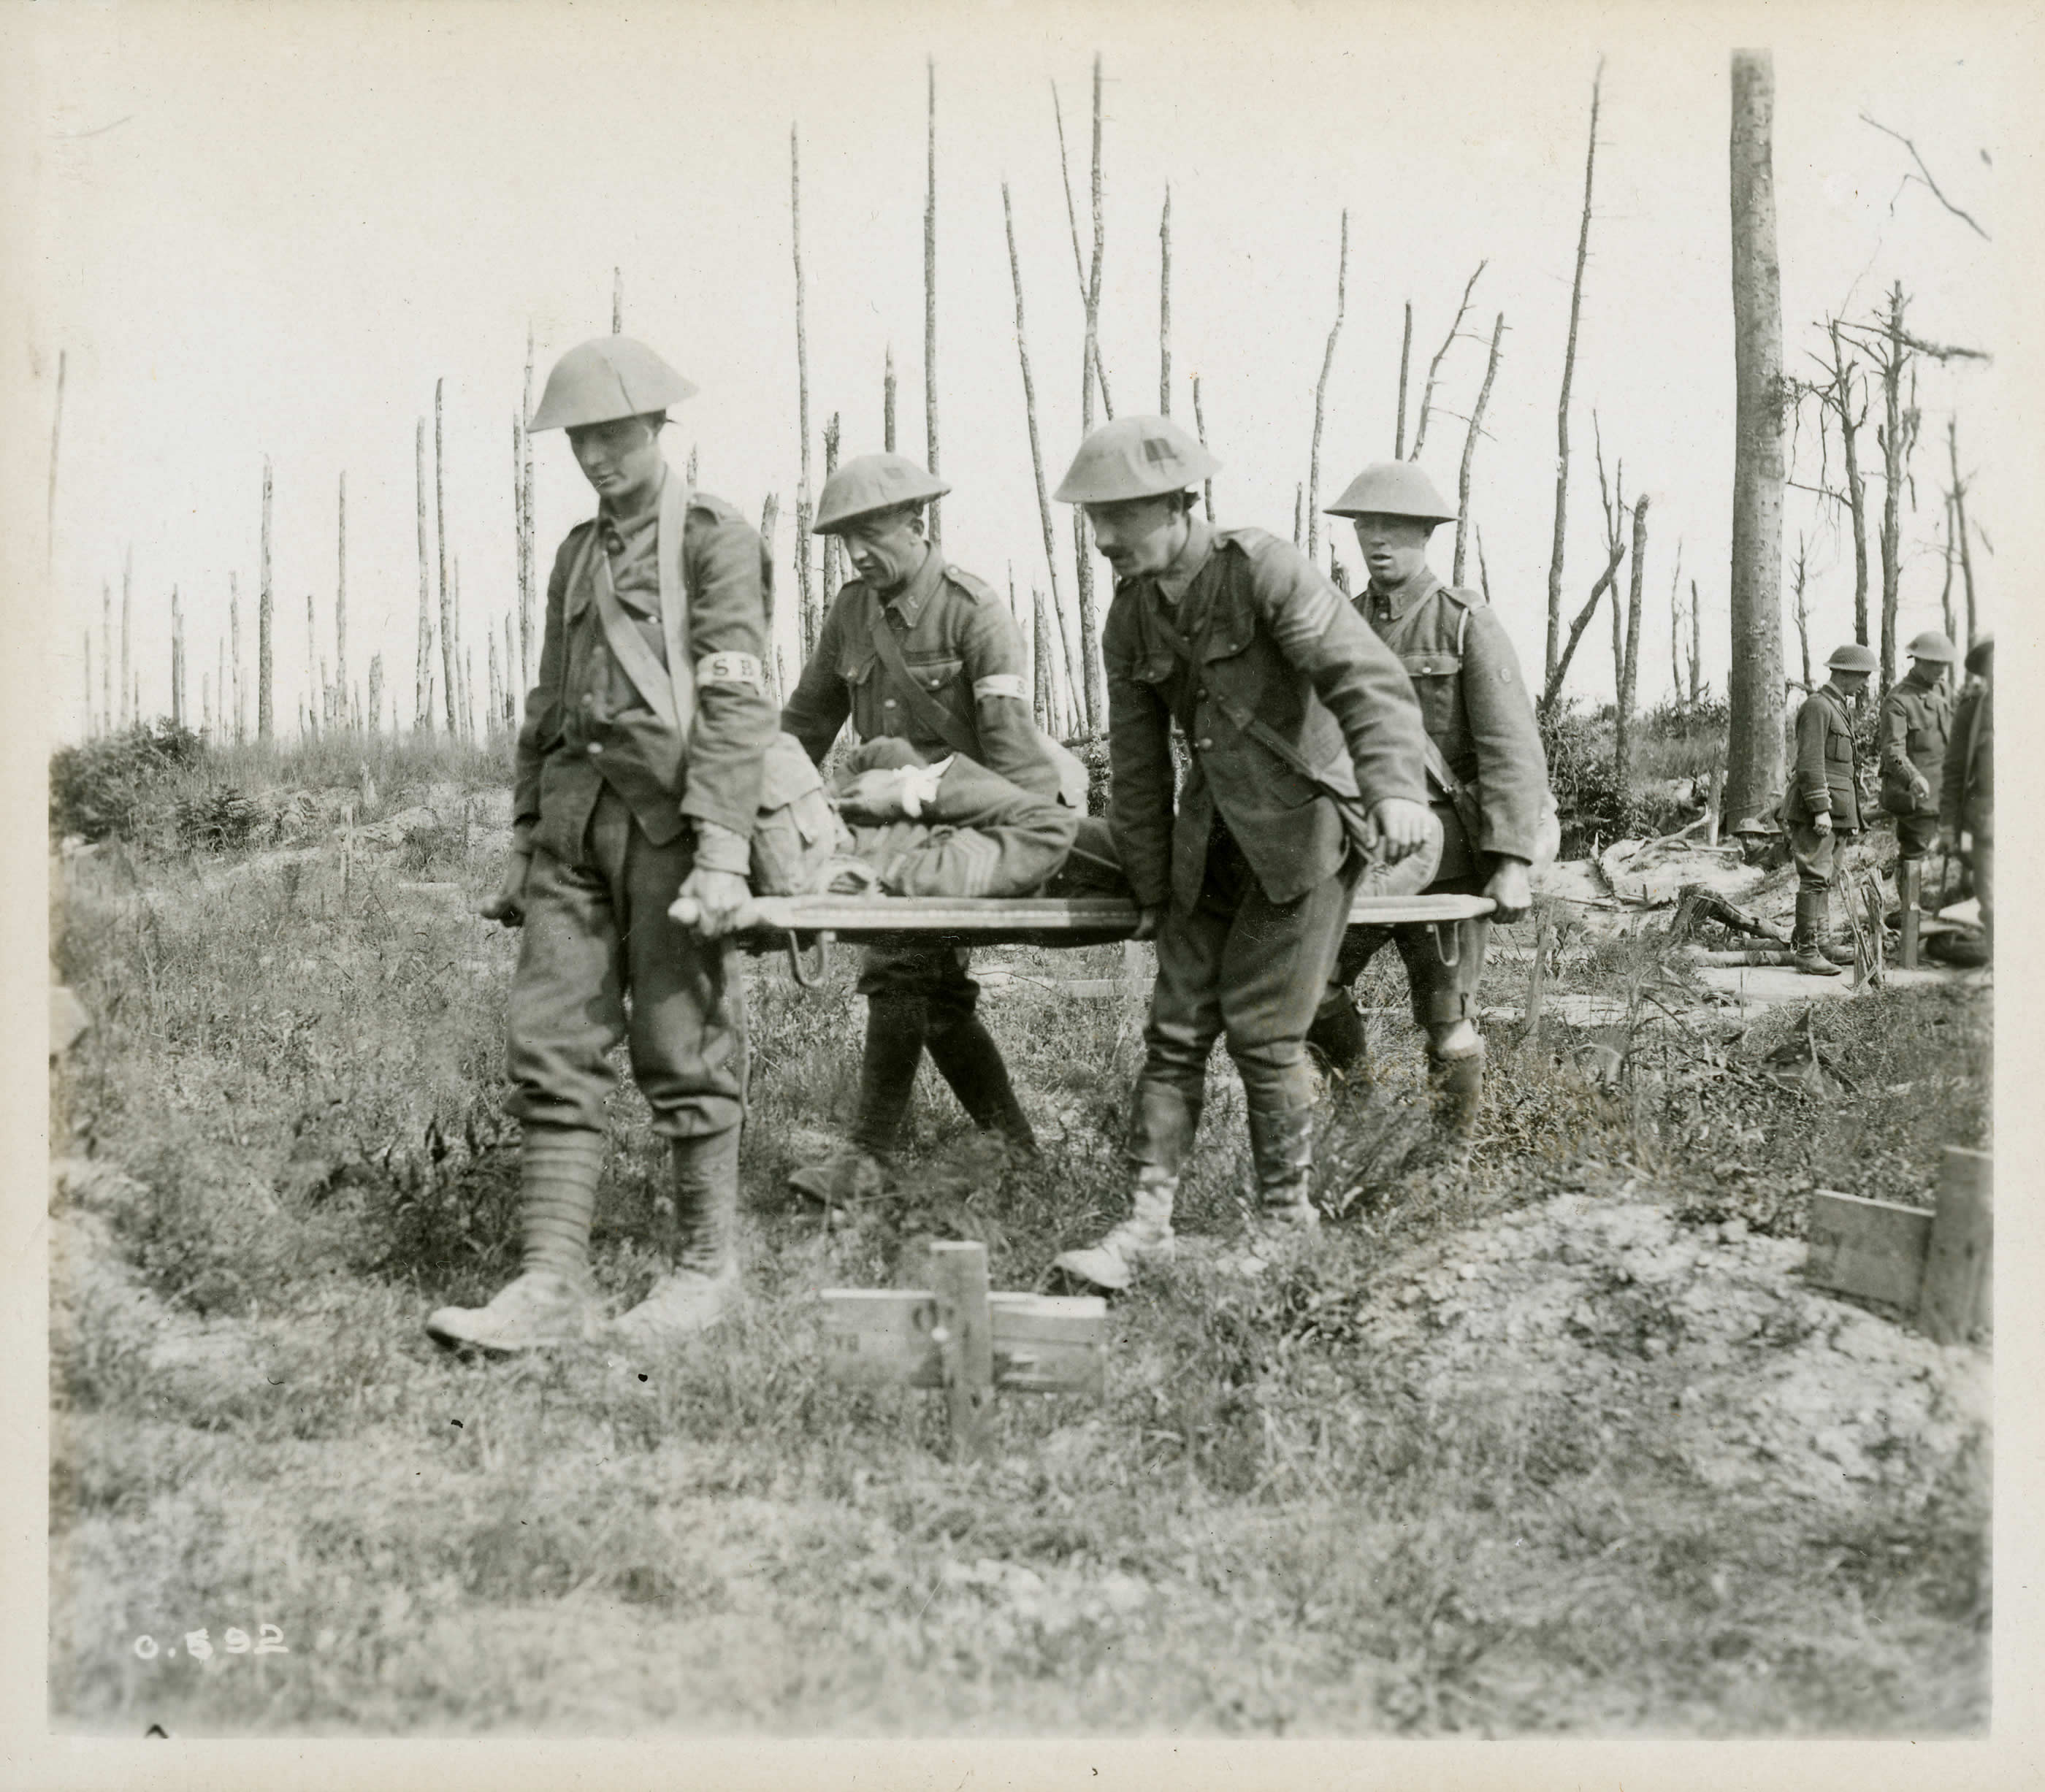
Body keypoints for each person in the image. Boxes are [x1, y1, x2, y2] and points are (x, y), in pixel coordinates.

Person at [426, 337, 776, 1355]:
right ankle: (549, 1282)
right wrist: (525, 836)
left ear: (656, 429)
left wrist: (719, 850)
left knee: (684, 1043)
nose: (596, 457)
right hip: (574, 829)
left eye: (614, 435)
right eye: (581, 438)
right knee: (550, 1043)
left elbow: (735, 698)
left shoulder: (714, 538)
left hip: (671, 822)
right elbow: (545, 704)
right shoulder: (577, 553)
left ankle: (706, 1269)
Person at [1046, 416, 1433, 1293]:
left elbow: (1362, 679)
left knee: (1265, 1036)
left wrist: (1395, 789)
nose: (1103, 538)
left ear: (1180, 506)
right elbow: (1137, 766)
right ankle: (1146, 1227)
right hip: (1206, 846)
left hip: (1301, 839)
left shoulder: (1259, 569)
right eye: (1093, 520)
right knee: (1173, 1035)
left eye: (1120, 517)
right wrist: (1149, 887)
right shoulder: (1130, 614)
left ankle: (1284, 1224)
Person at [779, 453, 1085, 1203]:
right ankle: (1018, 1155)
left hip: (973, 827)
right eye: (844, 537)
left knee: (899, 965)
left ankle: (866, 1156)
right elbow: (805, 726)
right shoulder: (850, 613)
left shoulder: (973, 610)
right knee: (937, 1003)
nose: (855, 552)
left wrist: (1026, 849)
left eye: (870, 532)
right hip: (893, 833)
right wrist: (767, 804)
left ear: (915, 525)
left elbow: (1011, 748)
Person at [1306, 462, 1550, 1141]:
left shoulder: (1465, 624)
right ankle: (1357, 1119)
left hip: (1444, 859)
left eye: (1394, 527)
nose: (1377, 540)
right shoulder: (1343, 625)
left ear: (1425, 534)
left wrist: (1510, 861)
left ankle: (1449, 1161)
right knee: (1310, 988)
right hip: (1360, 852)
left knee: (1447, 1019)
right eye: (1366, 526)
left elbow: (1511, 751)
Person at [1780, 642, 1876, 976]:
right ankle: (1806, 952)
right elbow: (1809, 763)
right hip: (1817, 811)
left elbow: (1844, 770)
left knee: (1828, 878)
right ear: (1846, 674)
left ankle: (1821, 943)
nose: (1864, 684)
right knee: (1815, 878)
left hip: (1836, 812)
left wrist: (1849, 816)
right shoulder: (1818, 707)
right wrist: (1820, 808)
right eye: (1862, 677)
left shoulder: (1837, 707)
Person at [1878, 629, 1956, 910]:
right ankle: (1912, 923)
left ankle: (1941, 914)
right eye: (1934, 664)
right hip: (1918, 798)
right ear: (1917, 661)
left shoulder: (1946, 693)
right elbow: (1892, 752)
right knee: (1915, 857)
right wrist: (1912, 777)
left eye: (1944, 665)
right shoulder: (1898, 700)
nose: (1940, 671)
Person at [1940, 633, 1992, 955]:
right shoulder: (1973, 710)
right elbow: (1955, 771)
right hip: (1989, 824)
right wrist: (1948, 826)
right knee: (1994, 902)